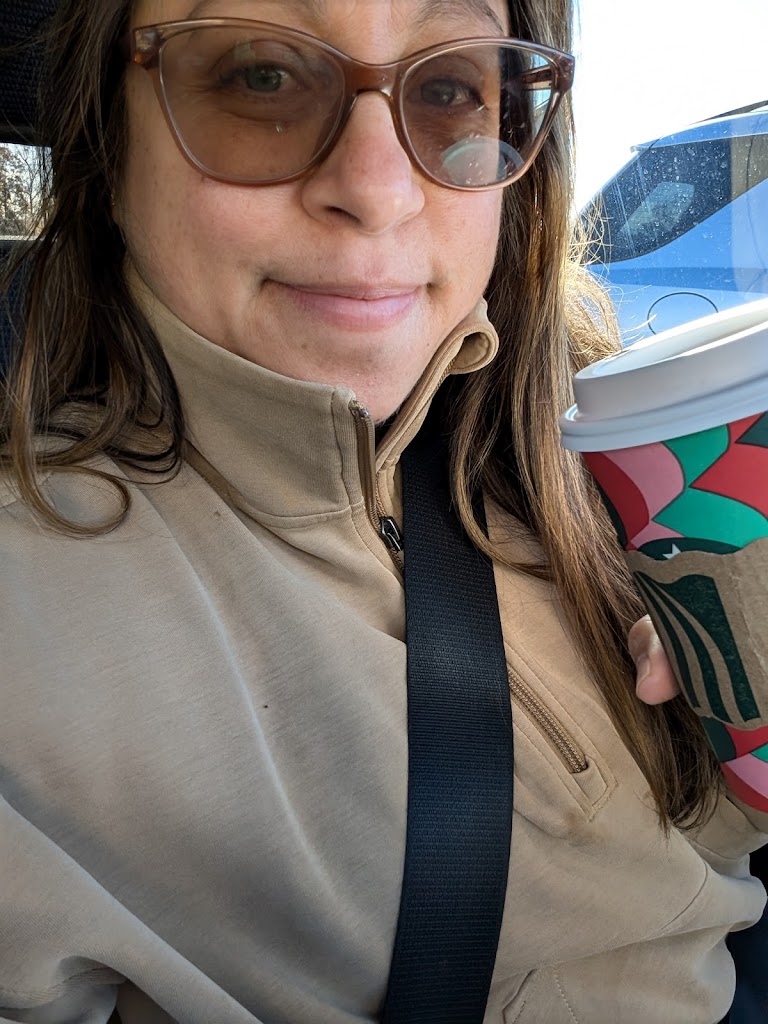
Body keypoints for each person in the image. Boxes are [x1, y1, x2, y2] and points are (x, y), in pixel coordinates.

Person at [0, 0, 765, 1022]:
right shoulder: (28, 624)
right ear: (108, 149)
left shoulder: (604, 460)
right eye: (261, 76)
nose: (377, 189)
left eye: (450, 89)